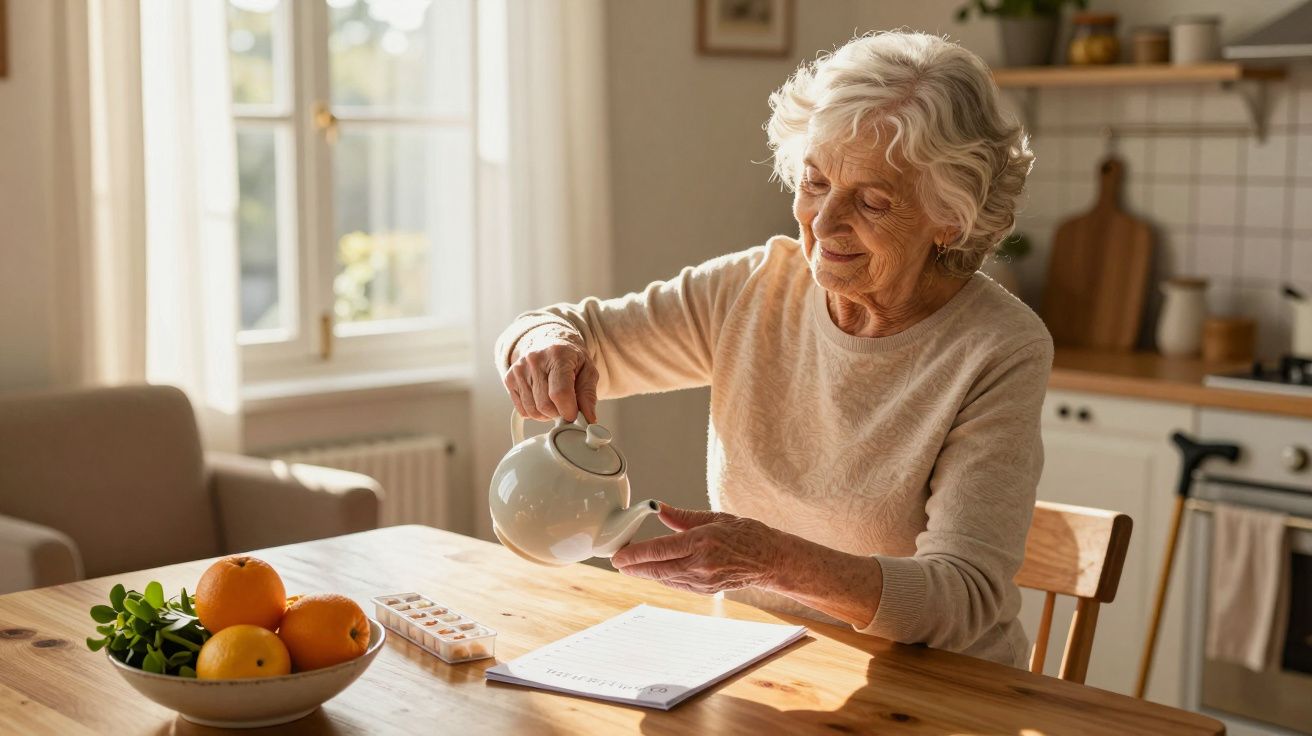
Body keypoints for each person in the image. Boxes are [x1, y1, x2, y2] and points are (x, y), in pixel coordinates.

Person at [494, 31, 1050, 667]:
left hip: (938, 693)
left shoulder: (998, 347)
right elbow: (569, 329)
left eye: (872, 201)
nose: (825, 221)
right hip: (767, 668)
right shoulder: (754, 290)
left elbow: (963, 597)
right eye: (814, 183)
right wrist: (545, 344)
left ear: (951, 216)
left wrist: (773, 561)